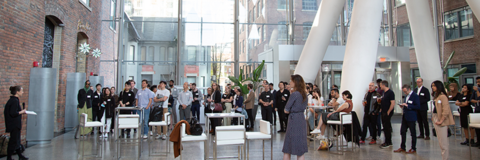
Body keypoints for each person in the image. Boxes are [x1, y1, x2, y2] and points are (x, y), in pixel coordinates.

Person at [282, 75, 309, 160]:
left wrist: (291, 110)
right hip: (301, 118)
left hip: (293, 119)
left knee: (288, 147)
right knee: (300, 148)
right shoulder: (304, 94)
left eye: (291, 81)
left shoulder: (294, 94)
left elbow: (286, 109)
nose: (289, 83)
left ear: (295, 82)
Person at [431, 80, 455, 160]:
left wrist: (441, 120)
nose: (432, 87)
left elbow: (446, 110)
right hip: (436, 118)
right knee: (440, 142)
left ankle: (445, 158)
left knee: (443, 143)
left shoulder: (443, 96)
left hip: (441, 120)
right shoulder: (437, 96)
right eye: (432, 86)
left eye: (434, 86)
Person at [394, 84, 420, 154]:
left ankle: (413, 148)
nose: (405, 93)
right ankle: (402, 147)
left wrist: (408, 106)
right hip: (405, 116)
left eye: (405, 92)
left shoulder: (415, 96)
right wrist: (403, 106)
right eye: (404, 92)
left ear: (409, 89)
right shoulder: (406, 96)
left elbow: (417, 106)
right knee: (402, 131)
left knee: (413, 133)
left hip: (411, 117)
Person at [4, 86, 28, 160]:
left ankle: (20, 156)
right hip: (14, 124)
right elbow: (13, 113)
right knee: (13, 141)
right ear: (17, 92)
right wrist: (22, 112)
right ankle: (9, 158)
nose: (22, 92)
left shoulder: (13, 100)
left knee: (17, 140)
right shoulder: (14, 101)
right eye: (21, 91)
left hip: (14, 124)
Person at [380, 80, 395, 149]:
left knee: (387, 127)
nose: (380, 86)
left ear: (383, 85)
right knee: (385, 127)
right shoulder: (384, 93)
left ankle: (388, 142)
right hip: (383, 111)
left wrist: (388, 111)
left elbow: (392, 103)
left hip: (387, 112)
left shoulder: (390, 93)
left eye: (380, 85)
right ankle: (387, 140)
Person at [470, 76, 480, 147]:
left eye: (479, 81)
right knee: (477, 127)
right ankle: (478, 141)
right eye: (477, 82)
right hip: (477, 109)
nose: (478, 83)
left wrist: (477, 91)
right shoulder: (474, 91)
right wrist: (476, 101)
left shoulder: (477, 90)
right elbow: (472, 99)